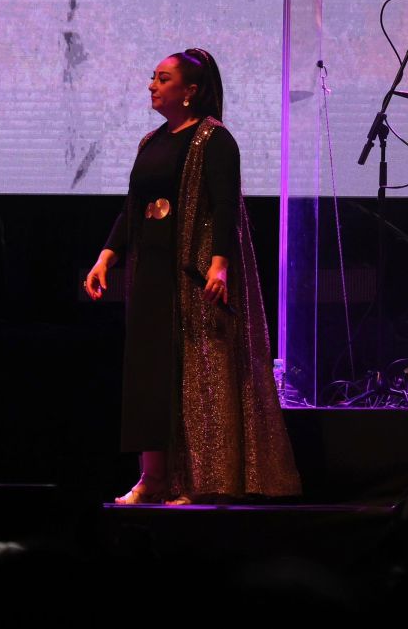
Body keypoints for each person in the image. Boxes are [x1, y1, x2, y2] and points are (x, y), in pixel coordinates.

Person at [82, 48, 299, 504]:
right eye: (153, 78)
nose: (152, 86)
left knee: (195, 373)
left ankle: (201, 481)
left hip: (192, 270)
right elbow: (133, 206)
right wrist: (107, 256)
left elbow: (226, 207)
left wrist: (219, 263)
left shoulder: (214, 139)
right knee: (149, 375)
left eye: (163, 79)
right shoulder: (151, 142)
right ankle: (153, 479)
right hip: (151, 271)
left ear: (190, 91)